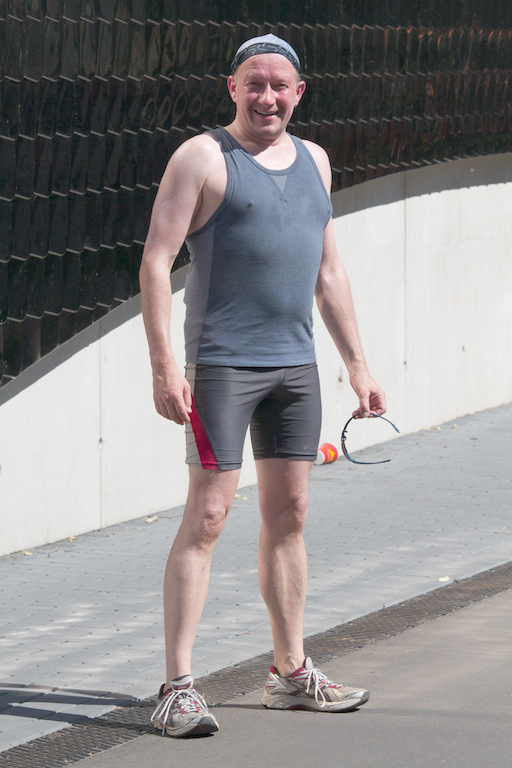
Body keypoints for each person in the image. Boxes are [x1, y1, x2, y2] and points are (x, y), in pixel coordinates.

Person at [139, 34, 386, 738]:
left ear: (299, 93)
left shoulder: (316, 161)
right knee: (209, 514)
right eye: (255, 83)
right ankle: (177, 688)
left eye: (280, 85)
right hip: (221, 368)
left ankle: (289, 672)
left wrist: (358, 366)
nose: (267, 96)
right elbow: (156, 262)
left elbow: (328, 272)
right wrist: (164, 366)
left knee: (292, 512)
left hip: (294, 369)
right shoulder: (202, 157)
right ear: (233, 88)